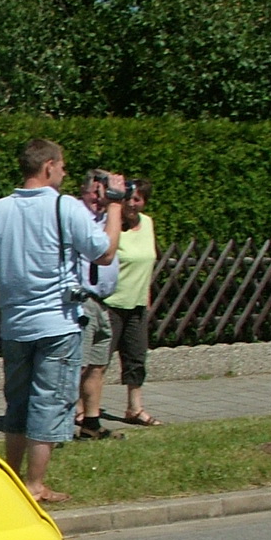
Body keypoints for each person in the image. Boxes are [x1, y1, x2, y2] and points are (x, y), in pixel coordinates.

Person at [0, 139, 122, 503]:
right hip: (57, 324)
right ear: (48, 167)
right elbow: (105, 253)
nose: (66, 172)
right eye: (63, 166)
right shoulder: (64, 207)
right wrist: (115, 205)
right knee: (50, 403)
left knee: (17, 403)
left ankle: (11, 475)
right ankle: (35, 484)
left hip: (15, 325)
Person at [106, 178, 162, 425]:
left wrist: (146, 294)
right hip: (111, 302)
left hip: (137, 303)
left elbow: (148, 261)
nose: (131, 204)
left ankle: (135, 408)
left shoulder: (148, 224)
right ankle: (83, 409)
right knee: (97, 361)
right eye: (127, 198)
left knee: (136, 357)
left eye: (136, 199)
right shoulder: (112, 225)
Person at [75, 169, 122, 440]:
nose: (98, 197)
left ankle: (91, 422)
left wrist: (114, 203)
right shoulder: (78, 217)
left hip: (103, 302)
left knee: (97, 364)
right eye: (94, 191)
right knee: (75, 366)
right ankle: (57, 424)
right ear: (84, 191)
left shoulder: (109, 218)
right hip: (82, 300)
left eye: (102, 192)